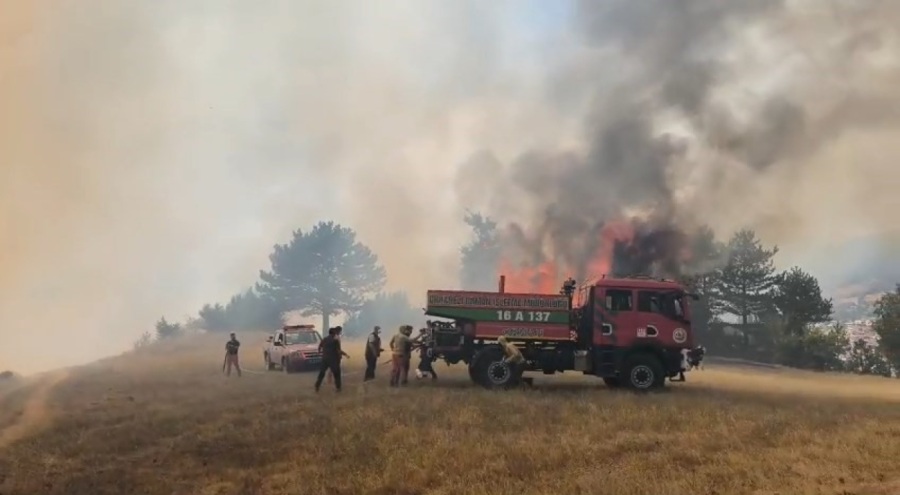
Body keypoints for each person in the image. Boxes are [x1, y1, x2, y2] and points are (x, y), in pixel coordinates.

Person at [315, 326, 349, 392]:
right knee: (337, 374)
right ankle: (338, 388)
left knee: (322, 373)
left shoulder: (324, 339)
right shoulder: (335, 340)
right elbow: (339, 350)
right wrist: (345, 354)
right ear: (334, 333)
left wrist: (321, 353)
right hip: (333, 360)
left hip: (325, 359)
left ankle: (317, 386)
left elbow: (319, 347)